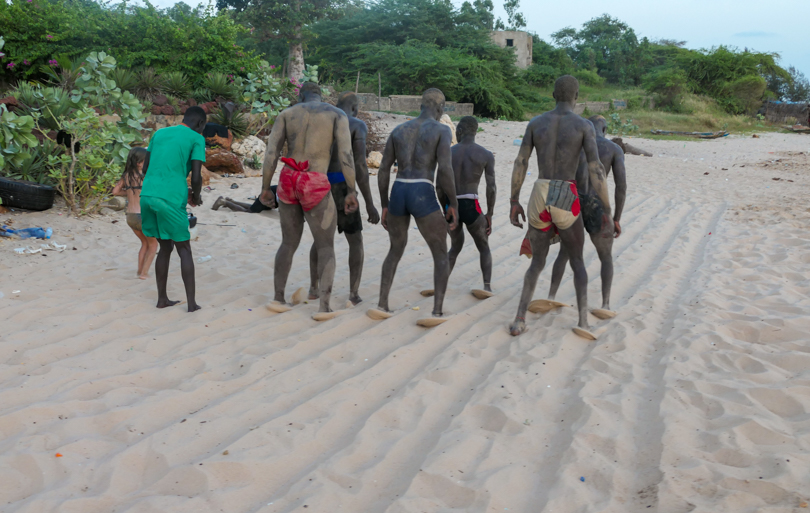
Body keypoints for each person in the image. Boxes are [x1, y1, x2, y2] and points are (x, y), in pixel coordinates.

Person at [508, 76, 612, 337]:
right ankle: (583, 322)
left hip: (540, 190)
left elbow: (521, 162)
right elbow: (595, 168)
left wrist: (514, 200)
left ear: (553, 94)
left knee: (537, 263)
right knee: (577, 260)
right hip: (564, 191)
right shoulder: (583, 126)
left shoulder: (536, 123)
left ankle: (520, 318)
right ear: (576, 96)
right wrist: (607, 210)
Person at [259, 82, 359, 317]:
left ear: (301, 95)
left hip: (288, 179)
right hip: (315, 180)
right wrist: (352, 190)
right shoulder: (336, 114)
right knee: (325, 247)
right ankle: (324, 306)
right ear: (320, 95)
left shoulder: (287, 113)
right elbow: (345, 154)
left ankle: (278, 298)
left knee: (288, 243)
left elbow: (271, 152)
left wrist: (265, 187)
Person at [373, 88, 458, 320]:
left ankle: (382, 304)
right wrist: (452, 203)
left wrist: (385, 205)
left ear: (421, 105)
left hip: (399, 189)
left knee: (395, 250)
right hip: (422, 189)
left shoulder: (399, 130)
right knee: (440, 252)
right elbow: (445, 169)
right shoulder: (441, 129)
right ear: (440, 109)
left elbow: (383, 169)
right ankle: (437, 310)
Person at [547, 115, 626, 314]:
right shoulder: (614, 149)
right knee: (605, 257)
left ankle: (551, 296)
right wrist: (616, 217)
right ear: (605, 129)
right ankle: (605, 304)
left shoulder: (577, 147)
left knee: (565, 253)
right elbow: (621, 187)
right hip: (599, 206)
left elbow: (560, 177)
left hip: (574, 202)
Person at [308, 91, 380, 306]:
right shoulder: (357, 125)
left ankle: (313, 288)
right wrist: (369, 203)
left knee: (320, 240)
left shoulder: (321, 121)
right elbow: (359, 166)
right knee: (355, 240)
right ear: (355, 109)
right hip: (341, 185)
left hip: (318, 183)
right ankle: (353, 292)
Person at [140, 106, 207, 312]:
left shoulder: (159, 133)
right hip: (170, 199)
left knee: (165, 247)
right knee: (184, 249)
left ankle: (162, 299)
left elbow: (145, 168)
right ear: (200, 124)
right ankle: (192, 305)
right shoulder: (196, 138)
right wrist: (195, 196)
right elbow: (196, 176)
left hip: (147, 195)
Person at [437, 116, 496, 294]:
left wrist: (444, 209)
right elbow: (491, 187)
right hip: (471, 205)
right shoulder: (485, 154)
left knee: (455, 247)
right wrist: (489, 214)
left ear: (460, 131)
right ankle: (486, 285)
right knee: (483, 246)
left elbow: (438, 186)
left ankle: (441, 285)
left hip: (451, 205)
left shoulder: (448, 153)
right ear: (475, 131)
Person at [112, 147, 158, 280]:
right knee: (153, 245)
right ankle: (144, 273)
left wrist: (129, 193)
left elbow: (115, 192)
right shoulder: (145, 176)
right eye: (145, 160)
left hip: (130, 216)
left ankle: (139, 270)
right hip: (142, 216)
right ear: (139, 162)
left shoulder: (126, 175)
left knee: (144, 243)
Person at [211, 186, 278, 213]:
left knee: (256, 207)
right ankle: (223, 202)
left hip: (273, 192)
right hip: (271, 194)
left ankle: (231, 201)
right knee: (249, 211)